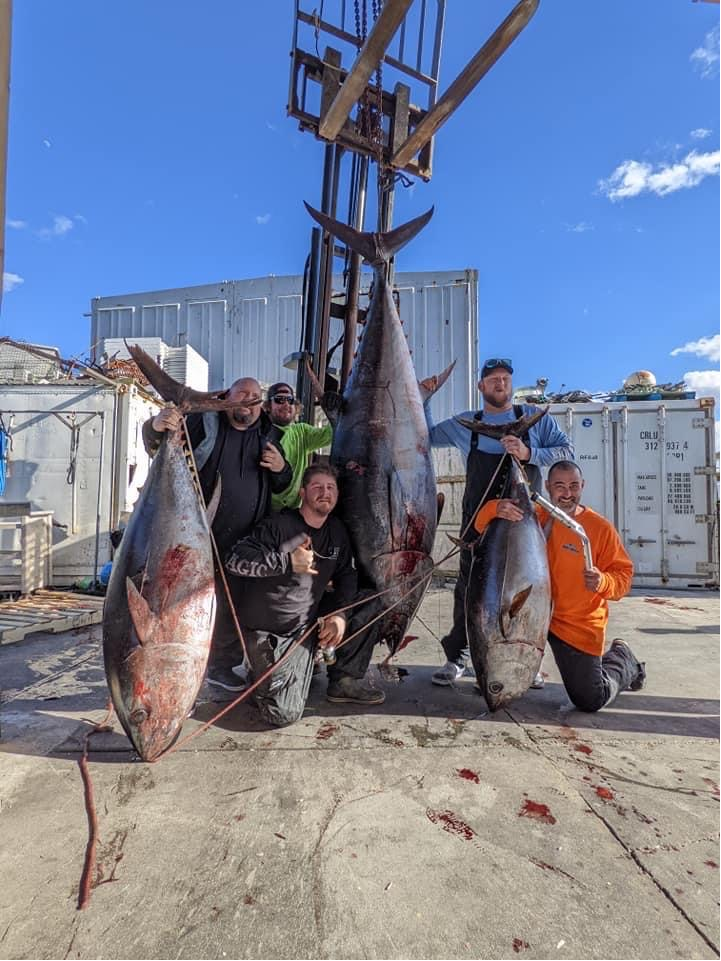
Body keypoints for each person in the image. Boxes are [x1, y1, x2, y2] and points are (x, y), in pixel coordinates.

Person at [420, 357, 574, 687]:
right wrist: (426, 399)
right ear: (481, 387)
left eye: (505, 378)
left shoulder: (533, 420)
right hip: (478, 521)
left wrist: (528, 453)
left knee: (529, 590)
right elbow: (427, 437)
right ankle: (457, 658)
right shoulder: (465, 423)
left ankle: (528, 661)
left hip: (523, 525)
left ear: (511, 383)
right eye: (492, 379)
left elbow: (566, 453)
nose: (499, 383)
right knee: (467, 589)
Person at [142, 377, 292, 691]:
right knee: (184, 602)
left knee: (235, 603)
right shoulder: (202, 423)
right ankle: (182, 663)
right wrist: (156, 425)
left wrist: (282, 469)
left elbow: (282, 484)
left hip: (246, 541)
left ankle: (221, 665)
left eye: (255, 396)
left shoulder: (269, 435)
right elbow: (156, 444)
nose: (249, 401)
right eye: (242, 394)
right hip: (196, 535)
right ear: (226, 397)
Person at [474, 460, 645, 710]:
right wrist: (495, 508)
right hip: (533, 620)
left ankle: (623, 658)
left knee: (590, 699)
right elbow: (481, 524)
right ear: (547, 487)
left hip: (573, 625)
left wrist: (603, 581)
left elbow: (624, 576)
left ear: (583, 486)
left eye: (574, 486)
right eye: (560, 486)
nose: (567, 494)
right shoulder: (534, 516)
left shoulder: (599, 529)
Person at [225, 464, 385, 726]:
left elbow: (347, 575)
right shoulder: (277, 525)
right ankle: (266, 675)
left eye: (330, 487)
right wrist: (287, 562)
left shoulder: (337, 531)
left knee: (370, 598)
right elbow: (234, 559)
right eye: (317, 487)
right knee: (283, 714)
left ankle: (343, 680)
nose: (325, 492)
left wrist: (340, 615)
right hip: (270, 632)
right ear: (302, 493)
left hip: (306, 626)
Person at [264, 381, 336, 510]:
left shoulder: (302, 432)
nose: (286, 404)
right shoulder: (259, 432)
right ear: (268, 406)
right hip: (264, 509)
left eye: (290, 400)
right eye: (279, 399)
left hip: (293, 511)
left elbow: (332, 434)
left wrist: (332, 410)